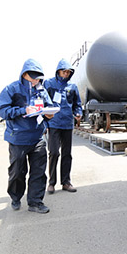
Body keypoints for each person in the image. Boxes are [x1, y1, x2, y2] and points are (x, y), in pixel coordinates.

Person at [0, 58, 53, 213]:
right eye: (32, 77)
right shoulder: (11, 89)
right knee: (17, 172)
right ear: (24, 74)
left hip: (37, 137)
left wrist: (49, 113)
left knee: (39, 172)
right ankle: (15, 198)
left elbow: (49, 106)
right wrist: (23, 110)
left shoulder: (42, 90)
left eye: (38, 77)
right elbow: (2, 111)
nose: (35, 80)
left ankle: (35, 202)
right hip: (18, 138)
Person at [44, 59, 82, 194]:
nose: (66, 74)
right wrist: (44, 121)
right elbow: (43, 102)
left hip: (67, 123)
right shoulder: (48, 84)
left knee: (67, 154)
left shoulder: (72, 86)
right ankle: (51, 182)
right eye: (64, 71)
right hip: (53, 123)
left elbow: (77, 104)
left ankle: (66, 182)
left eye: (68, 72)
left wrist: (78, 113)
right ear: (58, 71)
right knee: (53, 153)